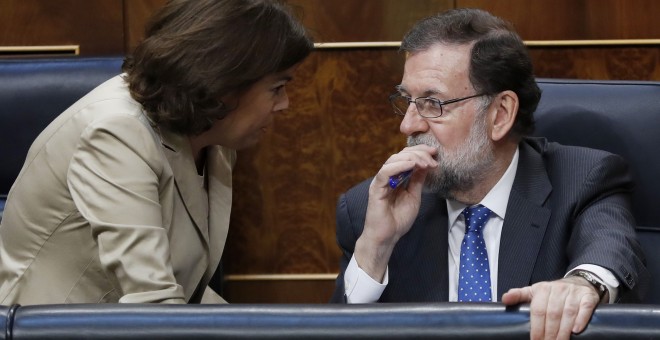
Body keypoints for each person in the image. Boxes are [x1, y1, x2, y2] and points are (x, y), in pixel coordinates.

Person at [331, 8, 649, 340]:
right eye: (407, 100)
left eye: (432, 103)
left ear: (500, 114)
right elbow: (333, 334)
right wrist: (374, 248)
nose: (407, 125)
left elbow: (610, 249)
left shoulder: (581, 179)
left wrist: (579, 285)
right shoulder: (371, 208)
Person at [0, 0, 313, 305]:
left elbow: (184, 289)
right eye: (276, 88)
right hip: (53, 330)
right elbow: (153, 305)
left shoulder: (212, 135)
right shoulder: (118, 132)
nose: (284, 103)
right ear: (224, 83)